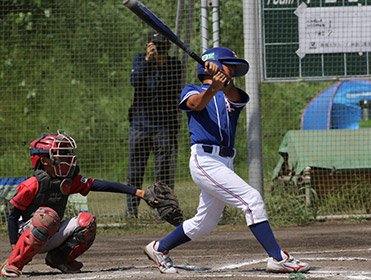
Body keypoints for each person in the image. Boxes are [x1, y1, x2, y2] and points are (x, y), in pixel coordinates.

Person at [143, 47, 311, 274]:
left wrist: (222, 82)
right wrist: (214, 85)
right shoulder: (191, 90)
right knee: (252, 199)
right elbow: (196, 104)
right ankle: (277, 257)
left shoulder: (232, 95)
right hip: (204, 160)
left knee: (206, 222)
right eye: (229, 67)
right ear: (211, 67)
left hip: (224, 162)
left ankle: (159, 248)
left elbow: (234, 96)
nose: (232, 72)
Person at [0, 131, 158, 277]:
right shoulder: (32, 184)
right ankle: (13, 264)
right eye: (59, 155)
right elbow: (13, 217)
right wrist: (15, 250)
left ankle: (59, 259)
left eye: (67, 154)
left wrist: (139, 193)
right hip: (27, 234)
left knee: (87, 223)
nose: (66, 159)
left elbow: (101, 185)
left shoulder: (68, 180)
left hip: (50, 230)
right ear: (43, 160)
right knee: (47, 217)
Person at [126, 29, 182, 218]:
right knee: (135, 171)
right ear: (148, 45)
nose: (158, 49)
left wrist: (162, 63)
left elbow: (173, 88)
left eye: (161, 46)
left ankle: (164, 211)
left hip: (163, 126)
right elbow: (134, 81)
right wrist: (148, 61)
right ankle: (131, 212)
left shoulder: (174, 64)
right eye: (154, 45)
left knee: (163, 172)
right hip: (140, 125)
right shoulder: (140, 59)